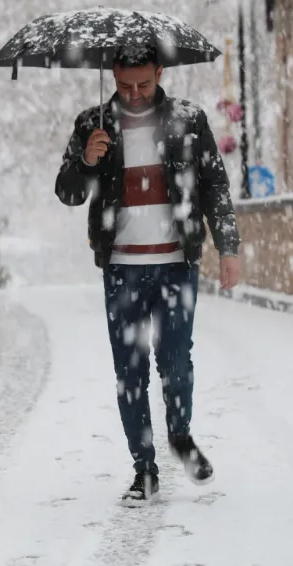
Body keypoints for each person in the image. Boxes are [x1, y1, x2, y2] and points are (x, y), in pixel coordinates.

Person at [54, 45, 241, 507]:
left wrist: (229, 247)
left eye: (144, 83)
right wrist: (86, 162)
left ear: (160, 72)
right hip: (121, 269)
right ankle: (145, 470)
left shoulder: (189, 119)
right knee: (129, 372)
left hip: (177, 264)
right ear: (112, 77)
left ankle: (179, 435)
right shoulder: (91, 125)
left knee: (176, 364)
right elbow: (67, 192)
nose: (134, 94)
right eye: (124, 86)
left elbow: (215, 183)